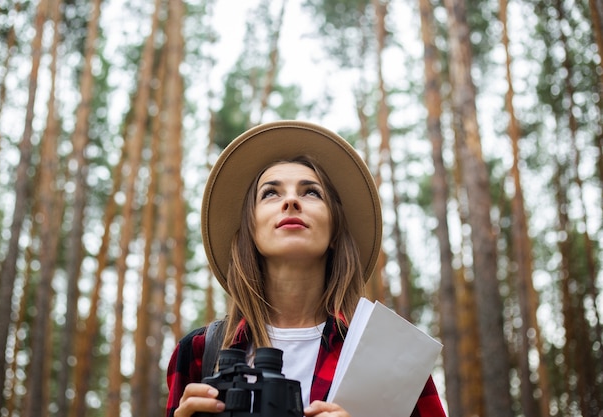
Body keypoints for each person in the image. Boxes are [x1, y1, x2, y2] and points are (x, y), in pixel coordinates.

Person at [165, 121, 446, 417]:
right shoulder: (198, 352)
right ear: (250, 231)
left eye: (311, 192)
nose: (290, 201)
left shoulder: (390, 355)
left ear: (335, 231)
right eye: (270, 193)